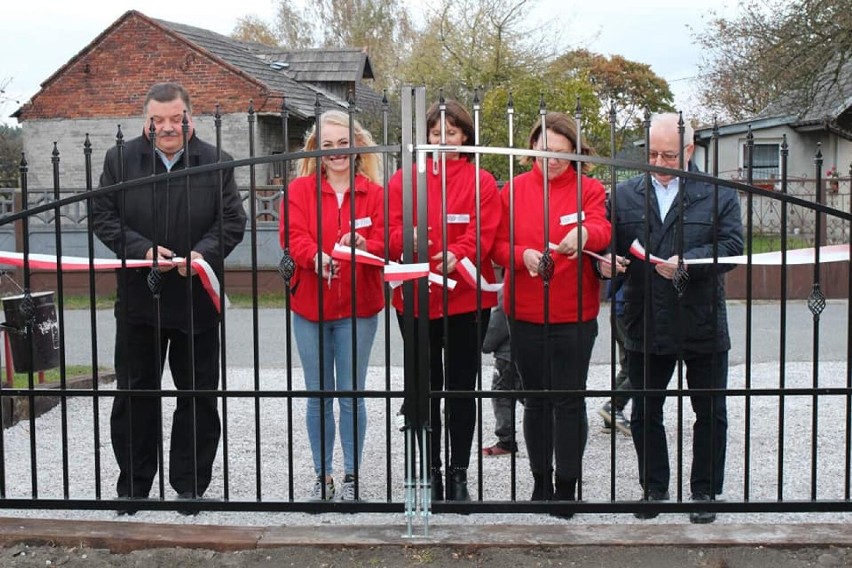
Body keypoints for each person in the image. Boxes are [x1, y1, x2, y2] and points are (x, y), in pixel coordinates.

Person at [92, 82, 247, 513]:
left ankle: (190, 484)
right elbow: (102, 215)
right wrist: (141, 250)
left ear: (189, 117)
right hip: (140, 298)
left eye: (175, 118)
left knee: (196, 394)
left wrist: (203, 254)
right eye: (158, 120)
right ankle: (135, 485)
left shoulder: (216, 161)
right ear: (146, 121)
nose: (167, 127)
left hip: (196, 297)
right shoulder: (119, 161)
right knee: (135, 394)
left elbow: (233, 221)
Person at [606, 112, 743, 524]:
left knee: (710, 410)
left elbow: (733, 244)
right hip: (645, 313)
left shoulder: (718, 192)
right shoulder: (624, 193)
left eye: (668, 155)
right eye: (652, 154)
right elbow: (608, 244)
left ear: (689, 150)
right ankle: (654, 487)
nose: (660, 164)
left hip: (700, 313)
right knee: (646, 409)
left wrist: (692, 260)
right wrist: (606, 265)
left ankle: (704, 492)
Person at [492, 112, 610, 518]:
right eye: (545, 151)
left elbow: (601, 229)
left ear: (575, 153)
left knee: (570, 400)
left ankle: (567, 486)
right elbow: (495, 246)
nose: (553, 159)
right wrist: (519, 256)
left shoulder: (590, 189)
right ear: (532, 150)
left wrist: (585, 235)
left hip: (575, 312)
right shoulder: (512, 191)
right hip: (525, 311)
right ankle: (540, 481)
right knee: (536, 401)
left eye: (561, 152)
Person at [388, 99, 501, 501]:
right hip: (417, 299)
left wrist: (462, 252)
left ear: (464, 136)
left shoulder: (481, 181)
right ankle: (429, 471)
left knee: (460, 389)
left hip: (466, 300)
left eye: (450, 133)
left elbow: (484, 231)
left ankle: (458, 472)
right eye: (436, 133)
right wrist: (410, 242)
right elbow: (392, 230)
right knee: (425, 389)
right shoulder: (403, 179)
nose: (442, 140)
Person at [283, 110, 385, 502]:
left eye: (344, 143)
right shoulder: (299, 191)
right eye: (328, 145)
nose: (337, 151)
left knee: (351, 394)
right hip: (309, 304)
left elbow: (387, 239)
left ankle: (351, 477)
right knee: (318, 393)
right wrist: (316, 257)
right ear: (317, 150)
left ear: (357, 146)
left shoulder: (374, 193)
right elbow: (293, 237)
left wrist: (366, 246)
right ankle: (322, 475)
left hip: (359, 307)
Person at [481, 284, 522, 457]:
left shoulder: (512, 288)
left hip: (508, 353)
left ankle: (506, 440)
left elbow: (499, 322)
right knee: (526, 391)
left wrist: (485, 343)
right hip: (532, 348)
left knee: (502, 394)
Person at [598, 279, 631, 435]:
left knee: (628, 366)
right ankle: (614, 406)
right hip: (628, 309)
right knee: (642, 366)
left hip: (620, 307)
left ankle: (611, 415)